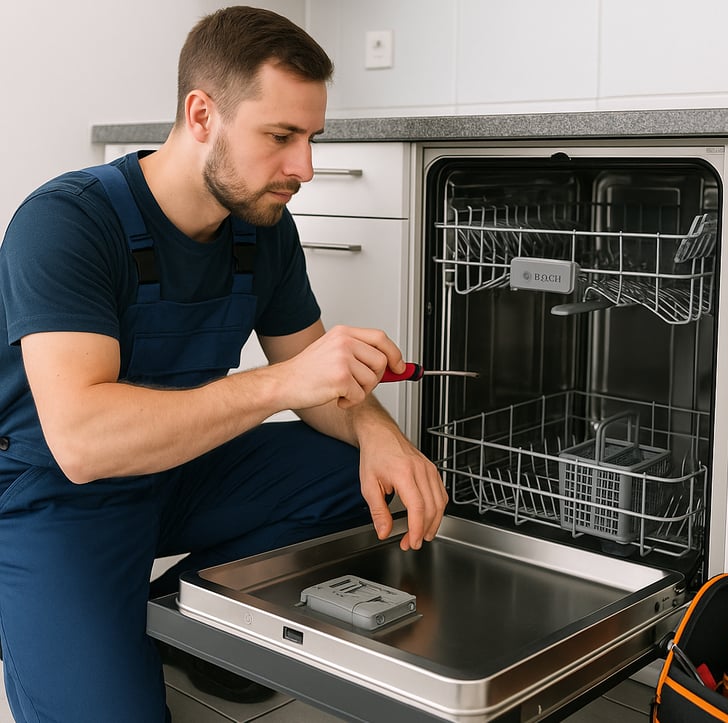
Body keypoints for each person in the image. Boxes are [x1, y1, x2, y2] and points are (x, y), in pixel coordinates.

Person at [0, 6, 447, 722]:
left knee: (361, 480)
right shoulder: (67, 223)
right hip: (56, 497)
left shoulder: (263, 229)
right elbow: (81, 442)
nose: (304, 166)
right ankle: (74, 617)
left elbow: (317, 375)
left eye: (311, 138)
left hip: (181, 471)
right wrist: (282, 382)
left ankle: (181, 621)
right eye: (281, 136)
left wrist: (382, 436)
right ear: (202, 114)